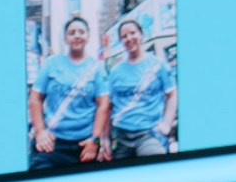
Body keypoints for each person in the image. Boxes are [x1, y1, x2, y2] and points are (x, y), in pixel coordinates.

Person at [27, 17, 110, 170]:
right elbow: (35, 98)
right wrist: (40, 132)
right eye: (72, 33)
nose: (77, 36)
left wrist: (94, 139)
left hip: (84, 146)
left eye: (81, 32)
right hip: (52, 143)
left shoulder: (96, 68)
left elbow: (103, 105)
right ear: (65, 39)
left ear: (88, 37)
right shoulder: (52, 63)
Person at [107, 20, 177, 159]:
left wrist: (166, 124)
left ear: (141, 35)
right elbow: (108, 106)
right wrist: (105, 140)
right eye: (124, 36)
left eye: (132, 33)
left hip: (149, 133)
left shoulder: (158, 64)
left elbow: (172, 94)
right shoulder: (115, 71)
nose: (129, 38)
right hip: (121, 136)